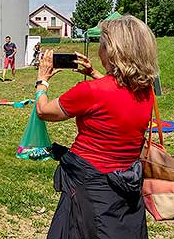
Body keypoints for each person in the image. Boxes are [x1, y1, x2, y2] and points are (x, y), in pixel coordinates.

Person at [35, 15, 158, 238]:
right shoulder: (146, 90)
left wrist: (42, 81)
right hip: (127, 181)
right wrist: (94, 73)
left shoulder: (91, 91)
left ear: (112, 51)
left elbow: (44, 111)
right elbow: (118, 92)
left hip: (90, 185)